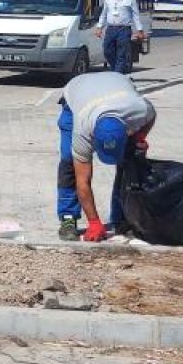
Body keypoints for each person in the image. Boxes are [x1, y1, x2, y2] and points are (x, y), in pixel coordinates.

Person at [56, 71, 155, 242]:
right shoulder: (83, 128)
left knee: (130, 161)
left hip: (117, 90)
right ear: (93, 138)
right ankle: (68, 218)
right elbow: (83, 181)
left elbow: (151, 116)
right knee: (69, 163)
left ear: (126, 130)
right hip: (76, 96)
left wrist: (139, 138)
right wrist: (94, 222)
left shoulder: (139, 110)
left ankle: (121, 217)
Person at [96, 0, 146, 73]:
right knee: (107, 50)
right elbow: (104, 14)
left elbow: (136, 15)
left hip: (124, 29)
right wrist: (99, 27)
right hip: (111, 28)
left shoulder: (130, 0)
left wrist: (140, 30)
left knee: (121, 53)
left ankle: (117, 73)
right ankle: (117, 69)